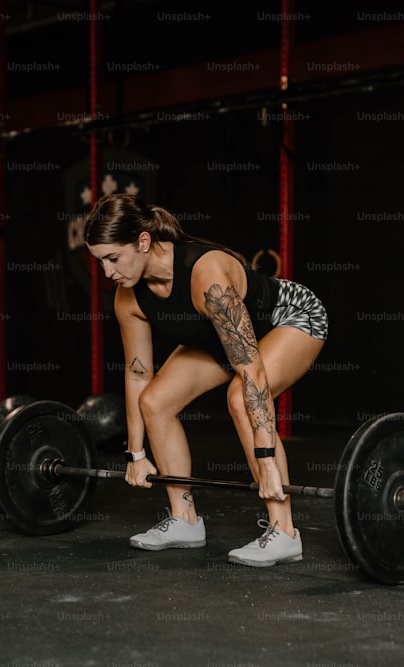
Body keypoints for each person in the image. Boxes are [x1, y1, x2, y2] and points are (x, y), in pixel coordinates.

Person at [84, 193, 328, 567]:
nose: (107, 272)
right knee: (156, 401)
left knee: (238, 398)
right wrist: (136, 454)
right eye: (100, 261)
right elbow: (137, 375)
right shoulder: (127, 299)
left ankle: (285, 531)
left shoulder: (206, 275)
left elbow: (252, 372)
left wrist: (265, 459)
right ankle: (185, 520)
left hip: (290, 318)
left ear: (144, 242)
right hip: (223, 341)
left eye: (113, 258)